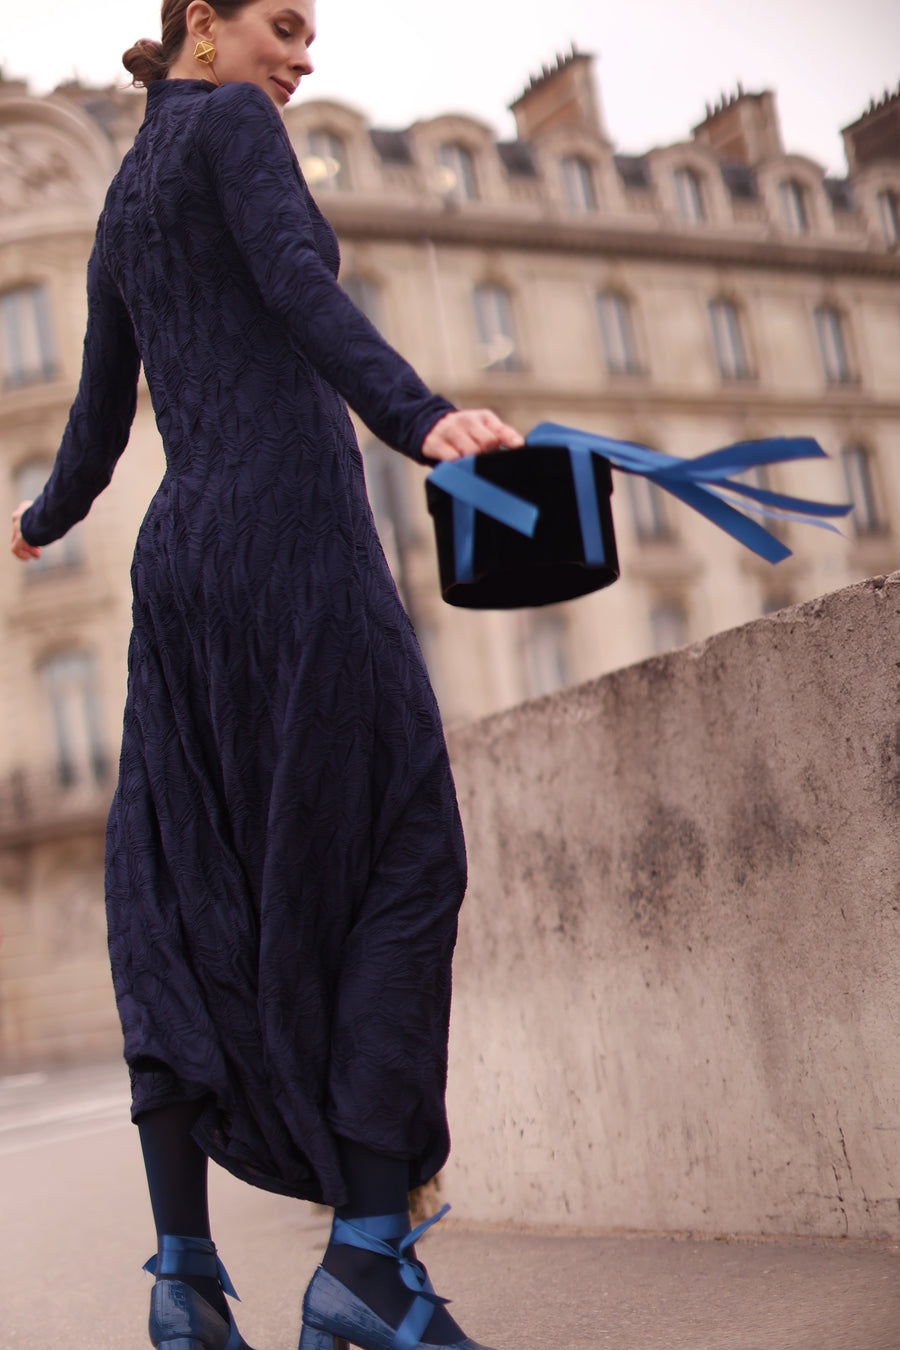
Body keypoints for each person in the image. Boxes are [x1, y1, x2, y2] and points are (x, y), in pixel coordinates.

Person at [10, 3, 523, 1347]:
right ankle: (363, 1258)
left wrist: (35, 521)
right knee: (406, 857)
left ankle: (184, 1275)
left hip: (180, 566)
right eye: (285, 24)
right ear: (201, 24)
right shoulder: (236, 127)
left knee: (180, 890)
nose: (305, 54)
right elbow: (301, 288)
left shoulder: (126, 192)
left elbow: (97, 418)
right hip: (294, 541)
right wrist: (421, 417)